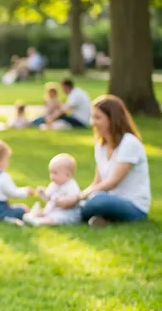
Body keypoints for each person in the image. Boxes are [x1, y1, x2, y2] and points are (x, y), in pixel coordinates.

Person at [54, 95, 151, 225]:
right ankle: (103, 219)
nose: (92, 122)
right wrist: (78, 196)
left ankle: (71, 214)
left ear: (112, 119)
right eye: (92, 116)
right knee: (94, 199)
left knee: (98, 200)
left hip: (133, 206)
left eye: (97, 117)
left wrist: (76, 199)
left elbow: (112, 183)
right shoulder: (101, 146)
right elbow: (97, 183)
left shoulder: (129, 143)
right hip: (108, 199)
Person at [24, 153, 82, 226]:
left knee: (57, 217)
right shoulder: (54, 184)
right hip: (55, 210)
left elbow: (72, 201)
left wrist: (62, 201)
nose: (51, 176)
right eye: (50, 173)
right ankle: (34, 217)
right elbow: (48, 198)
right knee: (47, 212)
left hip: (68, 213)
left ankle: (39, 222)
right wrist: (43, 194)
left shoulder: (71, 186)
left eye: (55, 173)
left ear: (68, 174)